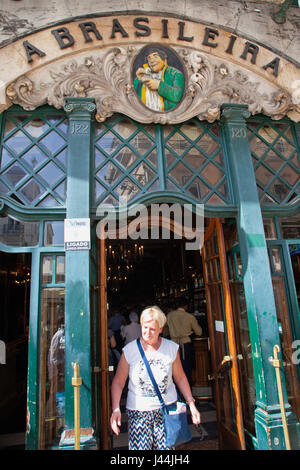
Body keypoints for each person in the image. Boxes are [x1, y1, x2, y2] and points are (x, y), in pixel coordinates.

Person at [110, 306, 201, 450]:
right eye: (145, 327)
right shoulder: (130, 350)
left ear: (160, 329)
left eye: (152, 329)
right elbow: (118, 382)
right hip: (139, 412)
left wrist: (191, 403)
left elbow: (180, 377)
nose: (147, 332)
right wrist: (115, 409)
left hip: (166, 410)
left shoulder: (171, 348)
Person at [166, 297, 202, 389]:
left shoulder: (169, 316)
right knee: (187, 371)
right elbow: (199, 332)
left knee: (173, 371)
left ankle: (176, 395)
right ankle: (188, 395)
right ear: (186, 306)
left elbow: (165, 332)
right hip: (186, 345)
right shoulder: (189, 316)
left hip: (173, 345)